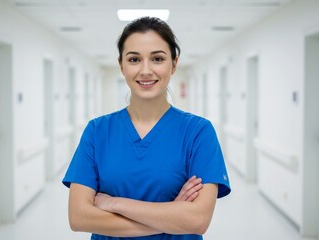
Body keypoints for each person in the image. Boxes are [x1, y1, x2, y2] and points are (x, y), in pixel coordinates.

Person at [62, 16, 231, 240]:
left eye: (157, 59)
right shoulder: (97, 131)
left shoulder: (198, 131)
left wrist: (114, 203)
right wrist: (172, 216)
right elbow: (79, 217)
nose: (145, 70)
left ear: (174, 63)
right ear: (121, 65)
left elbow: (197, 220)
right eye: (134, 59)